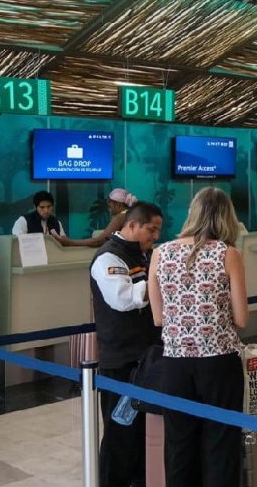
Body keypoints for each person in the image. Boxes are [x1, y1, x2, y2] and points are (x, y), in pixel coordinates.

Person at [147, 188, 248, 487]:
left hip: (175, 364)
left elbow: (158, 318)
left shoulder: (160, 253)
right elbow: (241, 319)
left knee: (179, 446)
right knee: (221, 444)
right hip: (218, 363)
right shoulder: (228, 254)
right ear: (227, 217)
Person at [90, 202, 163, 487]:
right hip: (121, 362)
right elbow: (123, 299)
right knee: (120, 433)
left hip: (147, 358)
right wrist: (159, 277)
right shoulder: (108, 257)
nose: (155, 236)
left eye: (158, 230)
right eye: (151, 229)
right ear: (132, 225)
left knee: (142, 433)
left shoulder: (145, 256)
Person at [57, 188, 137, 248]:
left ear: (118, 205)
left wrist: (69, 242)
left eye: (110, 205)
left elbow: (99, 241)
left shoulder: (120, 217)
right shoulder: (132, 214)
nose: (108, 206)